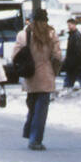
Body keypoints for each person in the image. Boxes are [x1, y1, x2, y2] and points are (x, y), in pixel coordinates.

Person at [14, 10, 62, 150]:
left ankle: (29, 132)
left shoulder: (24, 34)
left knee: (32, 106)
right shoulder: (51, 34)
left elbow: (15, 55)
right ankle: (35, 139)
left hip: (30, 74)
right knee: (41, 110)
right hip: (46, 75)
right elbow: (58, 56)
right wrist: (53, 69)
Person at [61, 18, 81, 90]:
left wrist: (70, 62)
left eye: (69, 25)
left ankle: (66, 91)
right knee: (79, 79)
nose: (68, 27)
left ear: (74, 25)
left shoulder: (75, 36)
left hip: (76, 64)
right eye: (68, 25)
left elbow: (78, 51)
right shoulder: (75, 35)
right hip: (76, 64)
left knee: (73, 80)